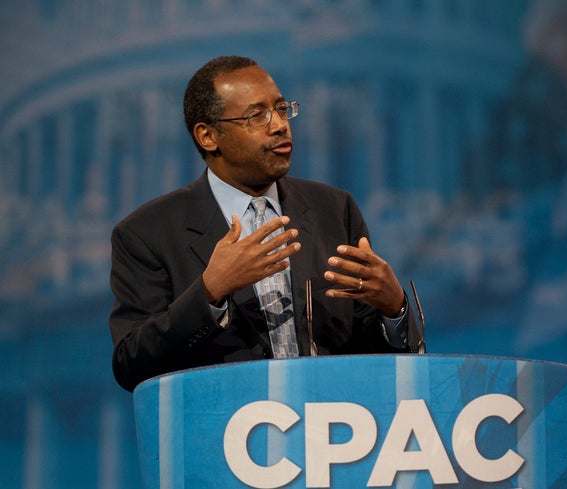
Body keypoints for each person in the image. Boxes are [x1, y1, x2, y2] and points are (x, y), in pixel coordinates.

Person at [109, 56, 420, 392]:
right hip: (221, 437)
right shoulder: (146, 233)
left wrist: (394, 309)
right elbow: (132, 365)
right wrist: (209, 292)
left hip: (333, 433)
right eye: (257, 116)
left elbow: (379, 363)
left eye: (282, 109)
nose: (279, 125)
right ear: (208, 136)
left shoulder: (334, 209)